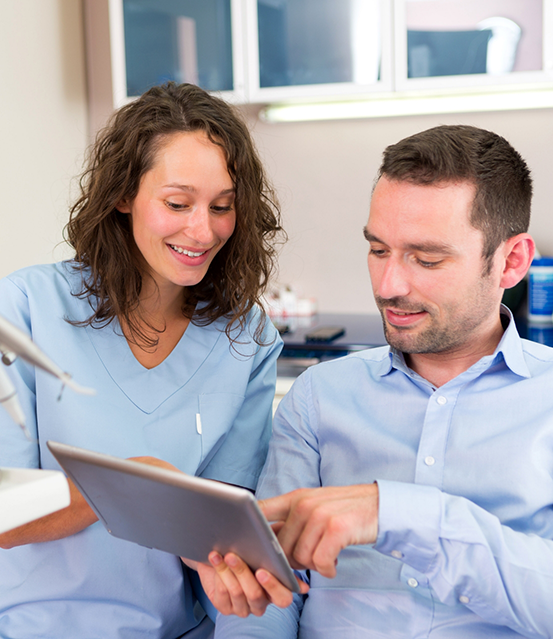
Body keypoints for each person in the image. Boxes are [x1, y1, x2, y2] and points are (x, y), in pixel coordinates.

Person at [209, 125, 553, 638]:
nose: (389, 286)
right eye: (378, 250)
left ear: (512, 262)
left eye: (427, 258)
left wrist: (400, 514)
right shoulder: (319, 399)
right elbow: (269, 593)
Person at [0, 82, 286, 639]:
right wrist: (142, 483)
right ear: (124, 194)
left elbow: (228, 521)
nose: (202, 231)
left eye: (222, 207)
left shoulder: (245, 336)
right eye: (177, 204)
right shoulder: (24, 311)